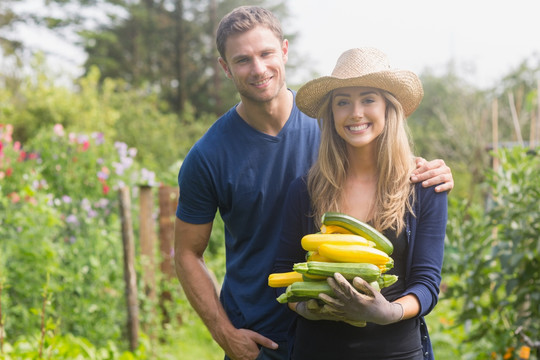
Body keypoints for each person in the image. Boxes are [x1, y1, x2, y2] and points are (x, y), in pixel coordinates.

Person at [174, 6, 452, 360]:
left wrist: (432, 173)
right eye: (243, 59)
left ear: (284, 52)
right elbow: (186, 253)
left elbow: (384, 155)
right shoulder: (208, 156)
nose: (258, 68)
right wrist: (225, 334)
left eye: (266, 53)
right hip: (261, 340)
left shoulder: (336, 128)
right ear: (225, 67)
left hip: (351, 340)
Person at [272, 47, 448, 360]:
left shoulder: (424, 187)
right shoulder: (305, 190)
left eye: (368, 99)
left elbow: (426, 284)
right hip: (317, 351)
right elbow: (283, 272)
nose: (355, 112)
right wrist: (304, 308)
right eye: (343, 102)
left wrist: (389, 311)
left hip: (396, 352)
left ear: (387, 109)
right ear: (332, 114)